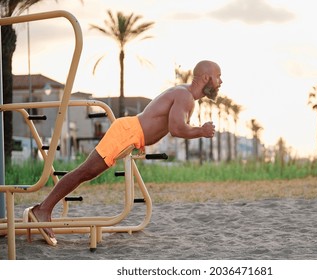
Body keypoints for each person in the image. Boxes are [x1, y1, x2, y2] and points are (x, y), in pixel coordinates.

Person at [26, 60, 223, 245]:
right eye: (218, 76)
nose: (221, 82)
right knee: (85, 172)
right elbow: (177, 128)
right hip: (127, 133)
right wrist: (201, 131)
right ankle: (43, 209)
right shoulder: (185, 96)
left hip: (129, 134)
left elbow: (167, 125)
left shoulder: (185, 95)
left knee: (85, 173)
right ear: (206, 78)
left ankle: (44, 208)